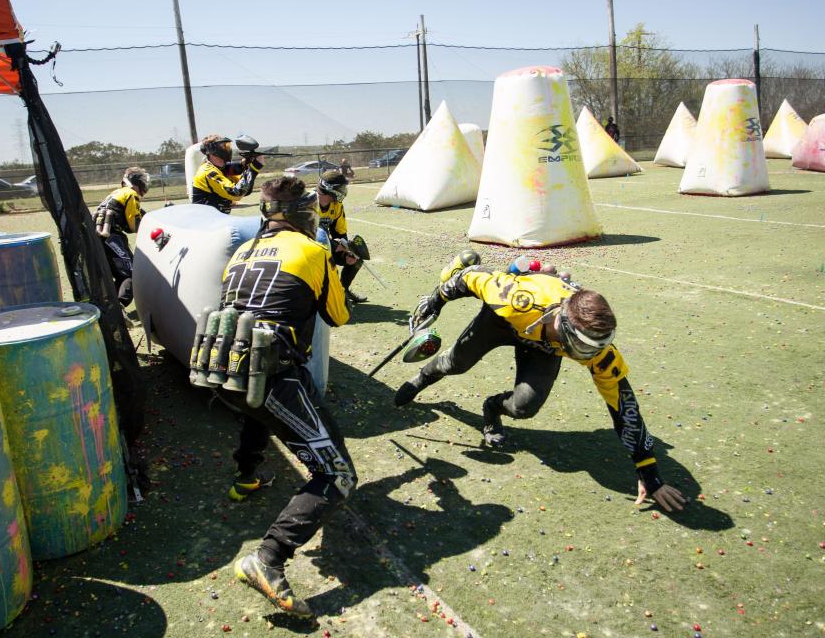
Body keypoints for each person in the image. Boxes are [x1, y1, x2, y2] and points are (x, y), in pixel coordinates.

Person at [394, 262, 687, 513]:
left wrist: (649, 472)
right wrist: (435, 301)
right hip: (502, 322)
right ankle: (422, 377)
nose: (588, 356)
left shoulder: (595, 347)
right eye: (583, 347)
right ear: (565, 325)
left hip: (545, 345)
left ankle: (492, 408)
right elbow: (469, 277)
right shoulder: (514, 298)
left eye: (595, 347)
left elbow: (624, 404)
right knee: (456, 363)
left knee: (525, 406)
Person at [218, 176, 355, 618]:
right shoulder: (312, 251)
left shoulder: (240, 252)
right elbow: (339, 314)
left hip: (225, 369)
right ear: (301, 214)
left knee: (261, 407)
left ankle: (245, 474)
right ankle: (269, 557)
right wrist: (341, 266)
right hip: (274, 372)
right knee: (338, 475)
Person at [92, 166, 149, 308]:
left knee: (117, 274)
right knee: (131, 273)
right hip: (110, 236)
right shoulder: (131, 194)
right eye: (142, 181)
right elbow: (133, 225)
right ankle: (120, 307)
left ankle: (112, 305)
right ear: (135, 182)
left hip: (97, 237)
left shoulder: (117, 193)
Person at [316, 170, 367, 304]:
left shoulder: (336, 205)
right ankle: (324, 297)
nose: (343, 191)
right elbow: (303, 235)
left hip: (327, 245)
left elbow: (340, 232)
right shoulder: (307, 204)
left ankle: (342, 291)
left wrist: (346, 248)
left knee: (356, 257)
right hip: (309, 249)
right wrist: (333, 245)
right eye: (341, 188)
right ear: (329, 189)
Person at [192, 134, 263, 213]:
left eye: (228, 146)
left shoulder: (221, 168)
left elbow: (246, 190)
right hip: (205, 221)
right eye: (224, 146)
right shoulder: (208, 172)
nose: (228, 149)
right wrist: (254, 168)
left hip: (215, 220)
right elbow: (236, 193)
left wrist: (247, 165)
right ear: (212, 149)